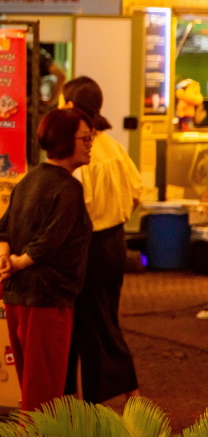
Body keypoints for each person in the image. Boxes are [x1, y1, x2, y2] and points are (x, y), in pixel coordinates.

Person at [0, 107, 95, 437]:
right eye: (85, 139)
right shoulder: (68, 186)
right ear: (66, 140)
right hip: (48, 295)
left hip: (18, 295)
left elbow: (0, 229)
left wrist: (5, 258)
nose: (89, 146)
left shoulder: (30, 178)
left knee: (31, 377)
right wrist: (19, 260)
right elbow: (50, 242)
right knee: (44, 379)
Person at [60, 77, 141, 405]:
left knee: (88, 323)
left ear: (68, 106)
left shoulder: (81, 152)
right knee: (105, 317)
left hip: (88, 247)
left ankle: (91, 402)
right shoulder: (113, 146)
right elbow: (137, 193)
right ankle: (120, 392)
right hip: (114, 242)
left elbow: (75, 208)